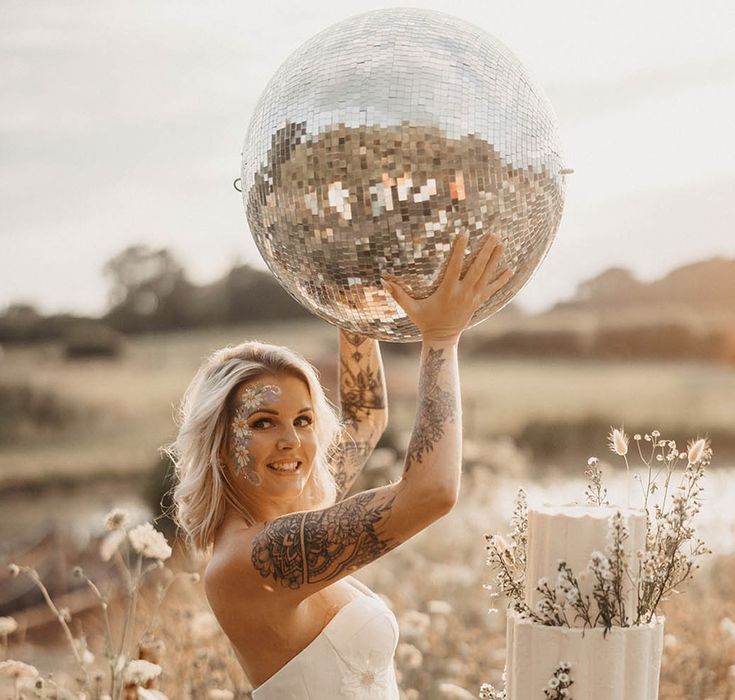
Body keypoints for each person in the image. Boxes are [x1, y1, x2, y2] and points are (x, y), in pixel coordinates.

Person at [169, 232, 512, 698]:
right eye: (264, 423)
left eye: (304, 420)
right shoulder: (253, 559)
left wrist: (354, 303)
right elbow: (431, 492)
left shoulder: (287, 506)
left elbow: (366, 415)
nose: (292, 441)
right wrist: (441, 337)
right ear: (220, 443)